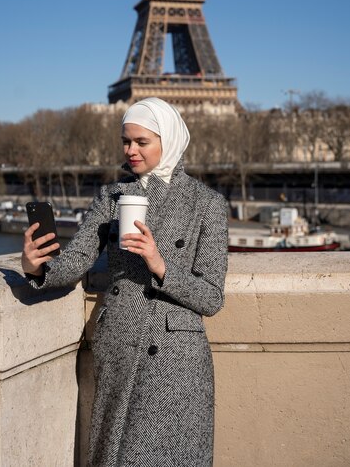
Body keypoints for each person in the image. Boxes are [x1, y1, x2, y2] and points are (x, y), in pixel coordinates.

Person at [22, 97, 228, 467]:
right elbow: (79, 258)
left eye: (141, 142)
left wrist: (159, 264)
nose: (130, 150)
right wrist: (39, 268)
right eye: (125, 141)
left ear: (169, 140)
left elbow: (211, 297)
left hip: (177, 362)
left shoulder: (206, 204)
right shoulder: (112, 196)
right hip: (119, 341)